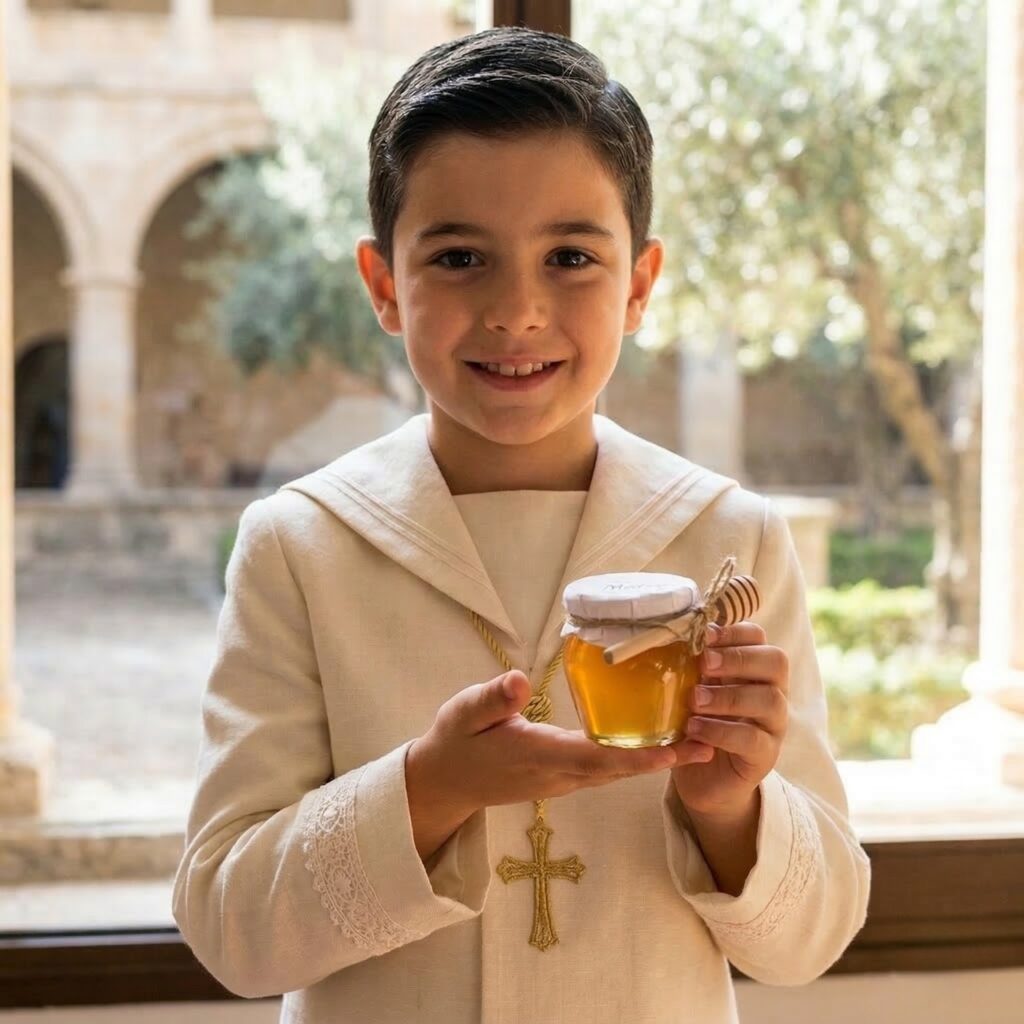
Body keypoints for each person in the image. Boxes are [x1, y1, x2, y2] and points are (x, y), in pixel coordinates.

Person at [172, 26, 870, 1024]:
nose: (516, 310)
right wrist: (428, 789)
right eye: (459, 256)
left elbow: (811, 940)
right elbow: (231, 930)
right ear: (384, 286)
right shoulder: (301, 546)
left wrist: (732, 809)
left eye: (570, 257)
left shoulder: (731, 539)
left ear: (638, 286)